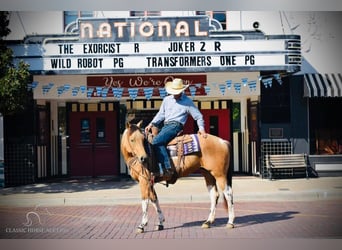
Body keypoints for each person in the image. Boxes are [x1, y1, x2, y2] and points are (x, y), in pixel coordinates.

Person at [145, 78, 207, 177]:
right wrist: (151, 124)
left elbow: (198, 116)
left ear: (182, 90)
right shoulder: (166, 100)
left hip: (176, 125)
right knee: (151, 141)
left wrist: (201, 128)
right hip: (166, 126)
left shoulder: (187, 101)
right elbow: (160, 114)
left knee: (156, 141)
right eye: (174, 91)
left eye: (177, 92)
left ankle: (167, 168)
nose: (175, 94)